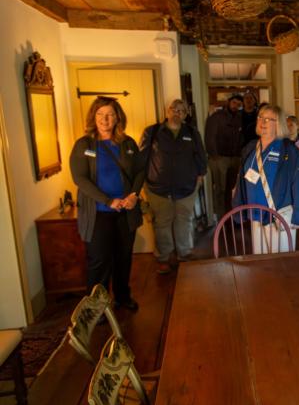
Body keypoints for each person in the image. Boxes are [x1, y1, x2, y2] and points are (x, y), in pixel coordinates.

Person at [70, 96, 143, 311]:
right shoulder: (84, 145)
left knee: (123, 257)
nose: (105, 119)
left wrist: (134, 195)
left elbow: (139, 171)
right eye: (100, 114)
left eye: (110, 114)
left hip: (125, 212)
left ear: (117, 117)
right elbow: (80, 179)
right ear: (94, 116)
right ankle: (95, 309)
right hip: (98, 214)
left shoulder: (127, 143)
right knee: (99, 262)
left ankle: (122, 297)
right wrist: (108, 200)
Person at [140, 99, 208, 274]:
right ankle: (163, 258)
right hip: (157, 189)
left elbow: (201, 156)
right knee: (162, 223)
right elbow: (142, 158)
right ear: (167, 111)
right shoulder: (152, 131)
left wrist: (200, 177)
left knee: (183, 221)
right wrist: (142, 184)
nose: (177, 113)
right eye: (174, 109)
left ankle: (184, 254)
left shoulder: (192, 133)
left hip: (186, 188)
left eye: (181, 110)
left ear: (185, 115)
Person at [233, 105, 299, 253]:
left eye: (268, 119)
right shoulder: (250, 147)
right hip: (255, 215)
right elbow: (241, 181)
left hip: (279, 216)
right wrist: (238, 208)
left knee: (281, 266)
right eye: (260, 118)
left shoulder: (289, 150)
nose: (263, 122)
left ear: (279, 123)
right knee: (260, 261)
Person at [204, 95, 243, 219]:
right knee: (220, 188)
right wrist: (214, 156)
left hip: (236, 158)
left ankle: (233, 213)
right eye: (234, 102)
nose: (235, 105)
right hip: (220, 158)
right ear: (228, 102)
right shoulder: (216, 116)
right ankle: (220, 216)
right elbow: (209, 136)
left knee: (234, 188)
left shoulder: (239, 117)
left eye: (238, 104)